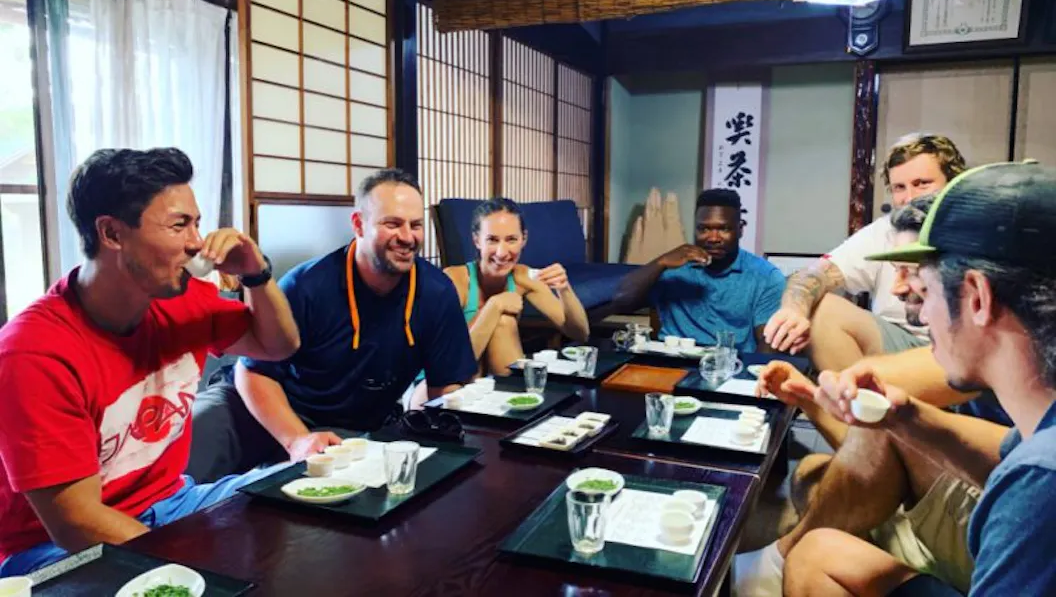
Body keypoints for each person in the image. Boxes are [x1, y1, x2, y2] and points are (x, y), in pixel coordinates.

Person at [0, 148, 300, 577]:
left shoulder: (182, 299)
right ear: (111, 233)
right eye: (180, 225)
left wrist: (256, 273)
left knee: (301, 491)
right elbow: (74, 522)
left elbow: (279, 345)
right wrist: (189, 567)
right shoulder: (33, 352)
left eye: (196, 223)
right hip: (50, 548)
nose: (197, 242)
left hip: (173, 503)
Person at [782, 160, 1056, 596]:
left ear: (978, 297)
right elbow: (1008, 454)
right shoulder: (1038, 441)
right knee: (815, 530)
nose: (906, 295)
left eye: (926, 288)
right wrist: (902, 416)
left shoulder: (1040, 483)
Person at [733, 194, 1009, 596]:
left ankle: (779, 564)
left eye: (914, 275)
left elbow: (1028, 470)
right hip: (980, 506)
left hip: (1001, 540)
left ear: (978, 292)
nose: (897, 290)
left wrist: (895, 412)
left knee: (814, 548)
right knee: (811, 473)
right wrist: (810, 397)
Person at [187, 169, 477, 481]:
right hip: (258, 405)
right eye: (392, 223)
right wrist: (296, 440)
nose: (407, 237)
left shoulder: (436, 293)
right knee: (186, 445)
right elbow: (253, 372)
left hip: (345, 431)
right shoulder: (307, 285)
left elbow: (444, 388)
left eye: (416, 225)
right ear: (359, 225)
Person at [763, 133, 967, 370]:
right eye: (899, 187)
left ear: (953, 182)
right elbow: (813, 274)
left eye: (922, 183)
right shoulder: (885, 230)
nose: (909, 198)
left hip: (965, 351)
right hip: (899, 344)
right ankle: (854, 392)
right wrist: (794, 310)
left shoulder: (977, 231)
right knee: (824, 308)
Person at [612, 188, 784, 353]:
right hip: (671, 364)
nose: (713, 238)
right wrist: (661, 262)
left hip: (730, 365)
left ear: (740, 229)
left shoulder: (766, 276)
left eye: (724, 229)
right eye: (704, 229)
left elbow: (768, 343)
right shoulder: (673, 268)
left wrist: (749, 373)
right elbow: (622, 298)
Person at [443, 198, 589, 376]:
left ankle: (514, 391)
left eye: (511, 240)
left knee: (504, 322)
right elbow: (450, 365)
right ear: (477, 240)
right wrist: (495, 306)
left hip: (493, 379)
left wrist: (564, 289)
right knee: (500, 317)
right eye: (492, 240)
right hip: (450, 382)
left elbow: (580, 333)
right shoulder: (454, 280)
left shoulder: (523, 278)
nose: (502, 253)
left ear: (523, 239)